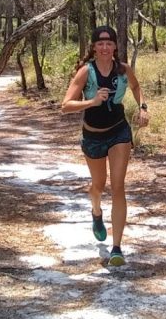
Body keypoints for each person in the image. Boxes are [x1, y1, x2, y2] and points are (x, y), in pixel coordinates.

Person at [61, 25, 149, 266]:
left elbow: (136, 87)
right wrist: (91, 101)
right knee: (98, 186)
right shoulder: (85, 72)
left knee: (118, 186)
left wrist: (143, 107)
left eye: (109, 42)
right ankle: (96, 211)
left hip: (118, 132)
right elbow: (66, 105)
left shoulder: (124, 70)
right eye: (100, 43)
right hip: (93, 137)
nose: (104, 47)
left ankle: (117, 248)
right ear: (93, 47)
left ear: (115, 46)